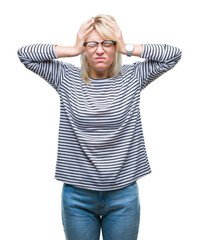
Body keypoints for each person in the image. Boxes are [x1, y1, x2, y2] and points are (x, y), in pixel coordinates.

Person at [17, 14, 182, 240]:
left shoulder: (132, 77)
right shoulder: (66, 77)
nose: (100, 50)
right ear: (85, 49)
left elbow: (172, 56)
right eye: (92, 44)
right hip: (77, 196)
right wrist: (73, 48)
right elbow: (25, 55)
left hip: (123, 195)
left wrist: (127, 47)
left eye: (107, 43)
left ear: (115, 47)